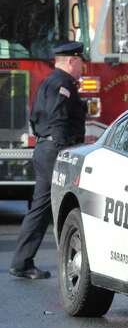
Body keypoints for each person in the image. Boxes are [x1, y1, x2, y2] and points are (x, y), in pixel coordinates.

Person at [9, 41, 87, 279]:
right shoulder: (62, 85)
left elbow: (36, 117)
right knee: (67, 205)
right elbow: (59, 120)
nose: (83, 66)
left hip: (46, 147)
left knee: (43, 207)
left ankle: (23, 261)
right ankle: (26, 262)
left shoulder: (49, 81)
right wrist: (66, 151)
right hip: (56, 151)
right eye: (81, 62)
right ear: (72, 61)